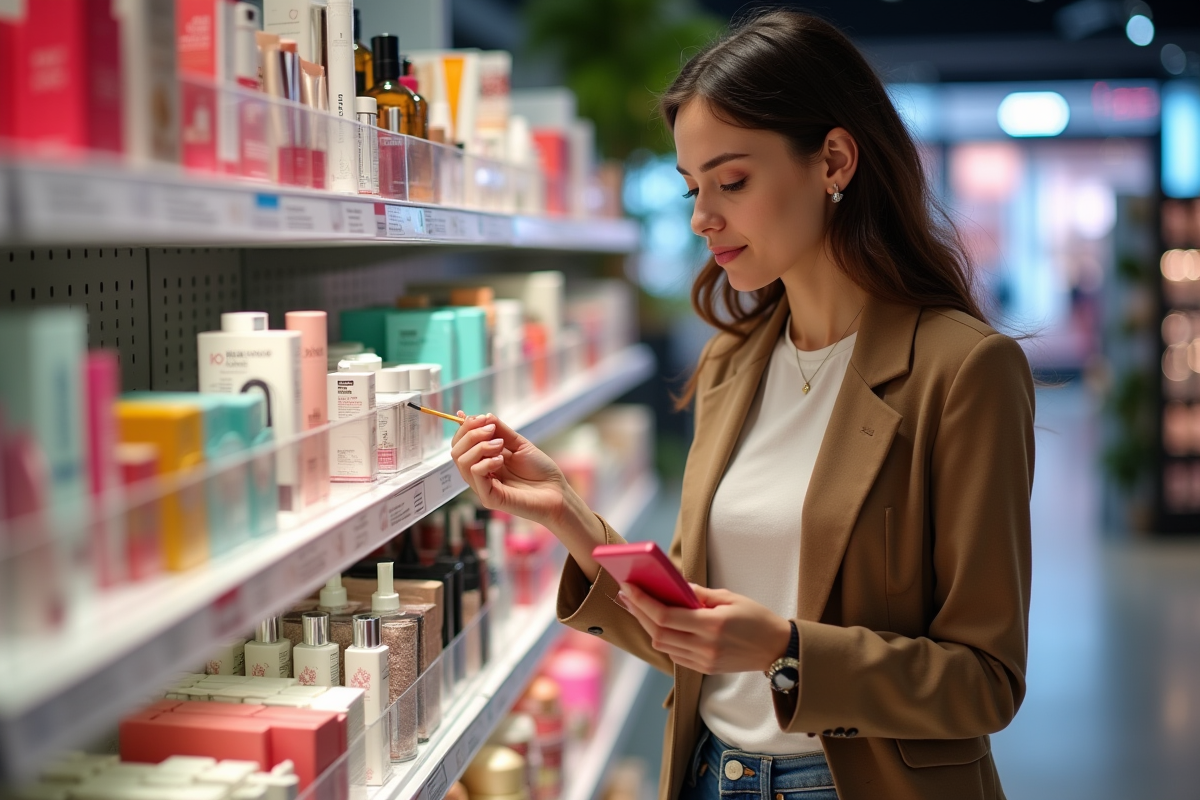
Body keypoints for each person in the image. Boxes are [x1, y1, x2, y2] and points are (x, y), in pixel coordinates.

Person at [451, 10, 1033, 800]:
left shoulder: (963, 371)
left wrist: (786, 651)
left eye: (732, 182)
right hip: (710, 775)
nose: (702, 217)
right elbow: (689, 634)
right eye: (693, 188)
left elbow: (986, 682)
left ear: (833, 161)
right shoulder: (732, 364)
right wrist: (568, 515)